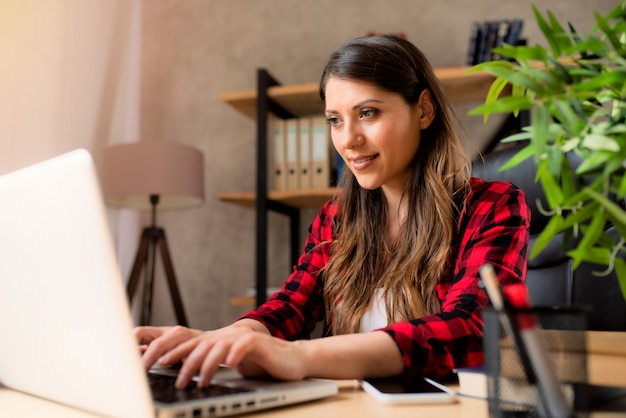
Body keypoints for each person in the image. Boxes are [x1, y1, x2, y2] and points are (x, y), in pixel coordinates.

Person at [136, 34, 530, 389]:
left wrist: (299, 357)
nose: (348, 139)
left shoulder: (492, 205)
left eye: (368, 113)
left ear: (424, 110)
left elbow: (475, 329)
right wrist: (221, 339)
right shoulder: (336, 217)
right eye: (335, 120)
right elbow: (291, 307)